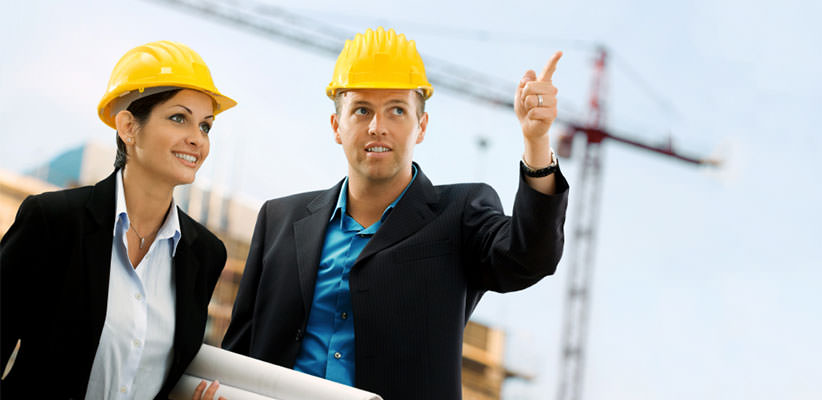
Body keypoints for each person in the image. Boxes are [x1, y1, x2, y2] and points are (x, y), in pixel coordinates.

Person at [222, 27, 569, 400]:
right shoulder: (279, 219)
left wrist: (536, 143)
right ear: (337, 126)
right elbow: (238, 352)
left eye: (397, 110)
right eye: (361, 110)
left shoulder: (459, 215)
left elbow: (530, 256)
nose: (377, 127)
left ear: (421, 126)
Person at [0, 40, 236, 400]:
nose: (196, 139)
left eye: (205, 126)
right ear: (128, 126)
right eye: (179, 118)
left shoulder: (204, 253)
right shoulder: (54, 222)